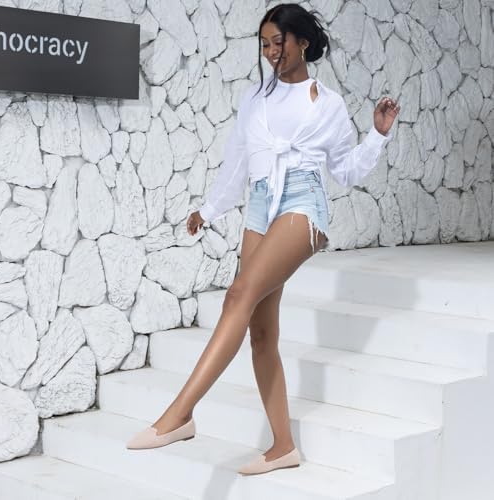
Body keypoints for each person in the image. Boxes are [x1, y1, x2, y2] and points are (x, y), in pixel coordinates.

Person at [126, 3, 400, 476]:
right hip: (260, 202)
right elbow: (238, 160)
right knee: (261, 332)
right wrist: (210, 210)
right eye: (265, 44)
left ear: (303, 43)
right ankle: (283, 447)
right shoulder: (255, 97)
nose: (272, 52)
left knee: (238, 296)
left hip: (303, 202)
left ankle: (180, 414)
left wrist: (376, 136)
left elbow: (344, 171)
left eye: (280, 42)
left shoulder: (328, 104)